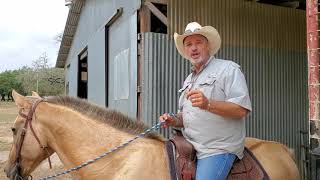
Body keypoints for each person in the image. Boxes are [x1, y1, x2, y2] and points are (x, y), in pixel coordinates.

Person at [159, 22, 252, 180]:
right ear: (186, 50)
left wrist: (208, 104)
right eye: (189, 44)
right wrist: (173, 120)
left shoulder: (228, 69)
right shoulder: (189, 80)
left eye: (198, 42)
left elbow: (241, 110)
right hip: (189, 146)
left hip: (216, 148)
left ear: (207, 46)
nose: (193, 48)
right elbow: (188, 116)